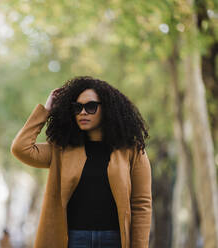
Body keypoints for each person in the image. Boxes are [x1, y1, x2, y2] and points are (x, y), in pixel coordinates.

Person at [10, 76, 152, 248]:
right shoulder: (61, 149)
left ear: (107, 109)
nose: (83, 112)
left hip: (115, 239)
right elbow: (21, 148)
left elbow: (141, 204)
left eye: (91, 106)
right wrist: (46, 110)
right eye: (77, 107)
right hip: (74, 239)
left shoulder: (132, 150)